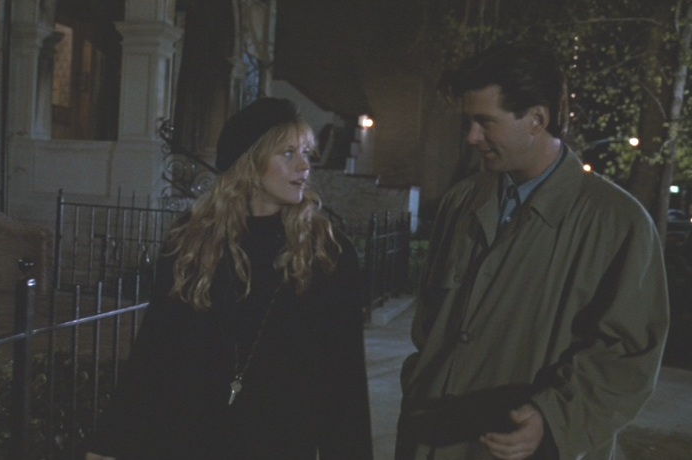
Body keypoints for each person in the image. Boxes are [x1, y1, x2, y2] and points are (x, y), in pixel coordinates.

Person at [394, 42, 669, 460]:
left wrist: (554, 418)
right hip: (433, 442)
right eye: (469, 122)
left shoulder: (617, 222)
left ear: (537, 119)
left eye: (485, 122)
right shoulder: (462, 202)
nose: (472, 137)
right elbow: (431, 323)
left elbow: (627, 356)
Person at [84, 97, 373, 460]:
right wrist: (109, 442)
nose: (304, 166)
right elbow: (155, 350)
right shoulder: (191, 242)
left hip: (276, 445)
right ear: (249, 162)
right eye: (287, 153)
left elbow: (344, 378)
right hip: (188, 440)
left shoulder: (327, 253)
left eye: (305, 153)